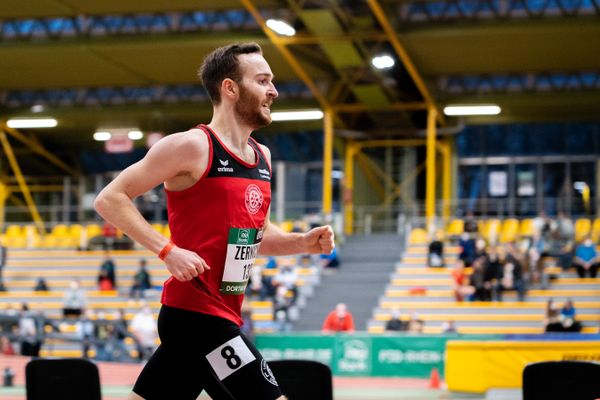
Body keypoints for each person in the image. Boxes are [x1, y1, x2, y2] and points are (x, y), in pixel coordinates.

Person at [94, 42, 334, 400]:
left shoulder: (262, 157)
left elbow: (257, 234)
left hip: (221, 312)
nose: (274, 91)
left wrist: (301, 243)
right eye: (263, 80)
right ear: (231, 88)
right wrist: (168, 250)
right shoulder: (192, 146)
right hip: (196, 315)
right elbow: (110, 198)